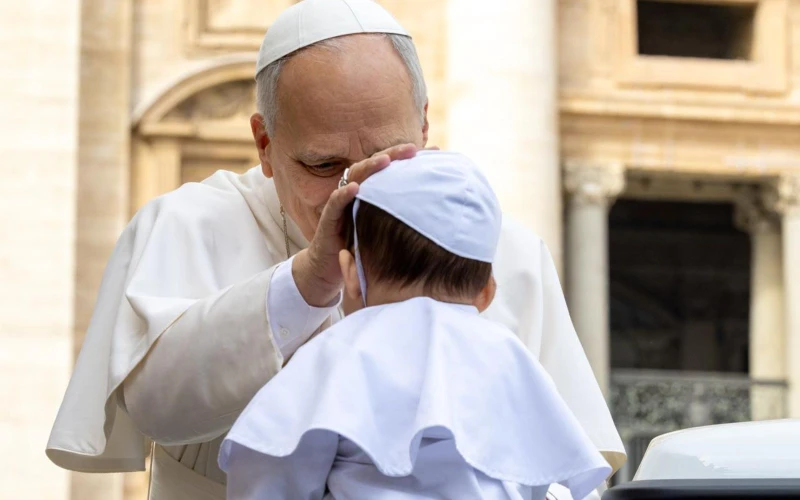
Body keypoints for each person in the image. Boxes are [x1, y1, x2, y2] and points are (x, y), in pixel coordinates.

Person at [46, 0, 625, 498]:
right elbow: (157, 408)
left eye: (389, 153)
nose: (356, 190)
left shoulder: (499, 248)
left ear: (423, 126)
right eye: (324, 165)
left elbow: (570, 462)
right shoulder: (190, 222)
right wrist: (305, 283)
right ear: (265, 143)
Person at [219, 150, 612, 500]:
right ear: (487, 293)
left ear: (350, 275)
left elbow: (271, 468)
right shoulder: (512, 358)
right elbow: (549, 474)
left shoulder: (337, 352)